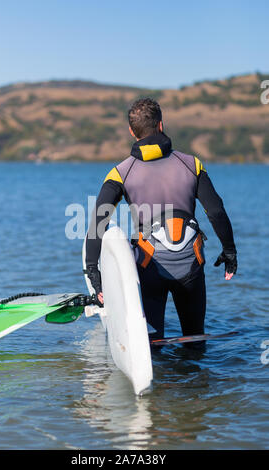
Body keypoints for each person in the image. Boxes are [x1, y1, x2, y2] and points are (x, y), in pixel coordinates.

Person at [84, 98, 237, 344]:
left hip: (150, 268)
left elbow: (98, 223)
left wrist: (94, 274)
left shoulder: (121, 172)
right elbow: (216, 212)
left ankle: (158, 377)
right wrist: (229, 251)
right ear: (161, 125)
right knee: (194, 342)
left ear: (132, 132)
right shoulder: (192, 164)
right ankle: (196, 381)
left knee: (152, 347)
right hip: (190, 265)